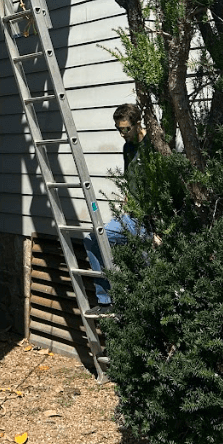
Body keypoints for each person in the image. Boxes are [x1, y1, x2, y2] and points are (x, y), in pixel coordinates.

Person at [83, 102, 151, 316]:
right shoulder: (127, 147)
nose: (122, 134)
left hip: (152, 221)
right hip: (131, 218)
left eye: (125, 129)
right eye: (118, 129)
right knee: (92, 238)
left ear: (137, 124)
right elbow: (129, 179)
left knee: (147, 274)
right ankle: (106, 301)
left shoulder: (152, 145)